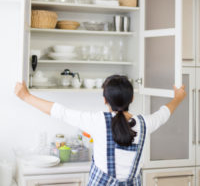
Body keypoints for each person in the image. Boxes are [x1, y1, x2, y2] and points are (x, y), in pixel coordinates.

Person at [15, 75, 186, 186]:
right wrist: (178, 97)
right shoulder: (145, 123)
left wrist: (25, 96)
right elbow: (165, 113)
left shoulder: (97, 121)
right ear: (132, 98)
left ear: (105, 100)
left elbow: (59, 112)